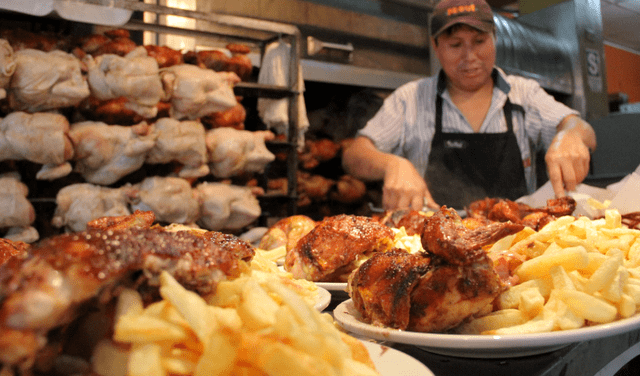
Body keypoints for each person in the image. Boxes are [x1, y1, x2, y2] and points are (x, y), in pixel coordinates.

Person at [342, 0, 597, 211]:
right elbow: (354, 156)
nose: (469, 56)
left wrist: (570, 134)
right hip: (432, 252)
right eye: (455, 45)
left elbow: (582, 129)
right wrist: (393, 164)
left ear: (494, 39)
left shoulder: (524, 94)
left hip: (516, 246)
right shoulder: (410, 99)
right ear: (436, 47)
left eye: (479, 42)